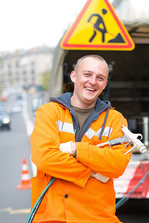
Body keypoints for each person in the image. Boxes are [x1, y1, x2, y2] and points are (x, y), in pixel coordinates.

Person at [30, 55, 131, 223]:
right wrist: (92, 172)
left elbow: (117, 164)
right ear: (73, 76)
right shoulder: (49, 112)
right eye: (87, 74)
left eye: (100, 78)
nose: (93, 82)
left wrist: (75, 149)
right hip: (53, 217)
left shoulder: (115, 120)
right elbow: (44, 158)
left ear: (105, 84)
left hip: (98, 218)